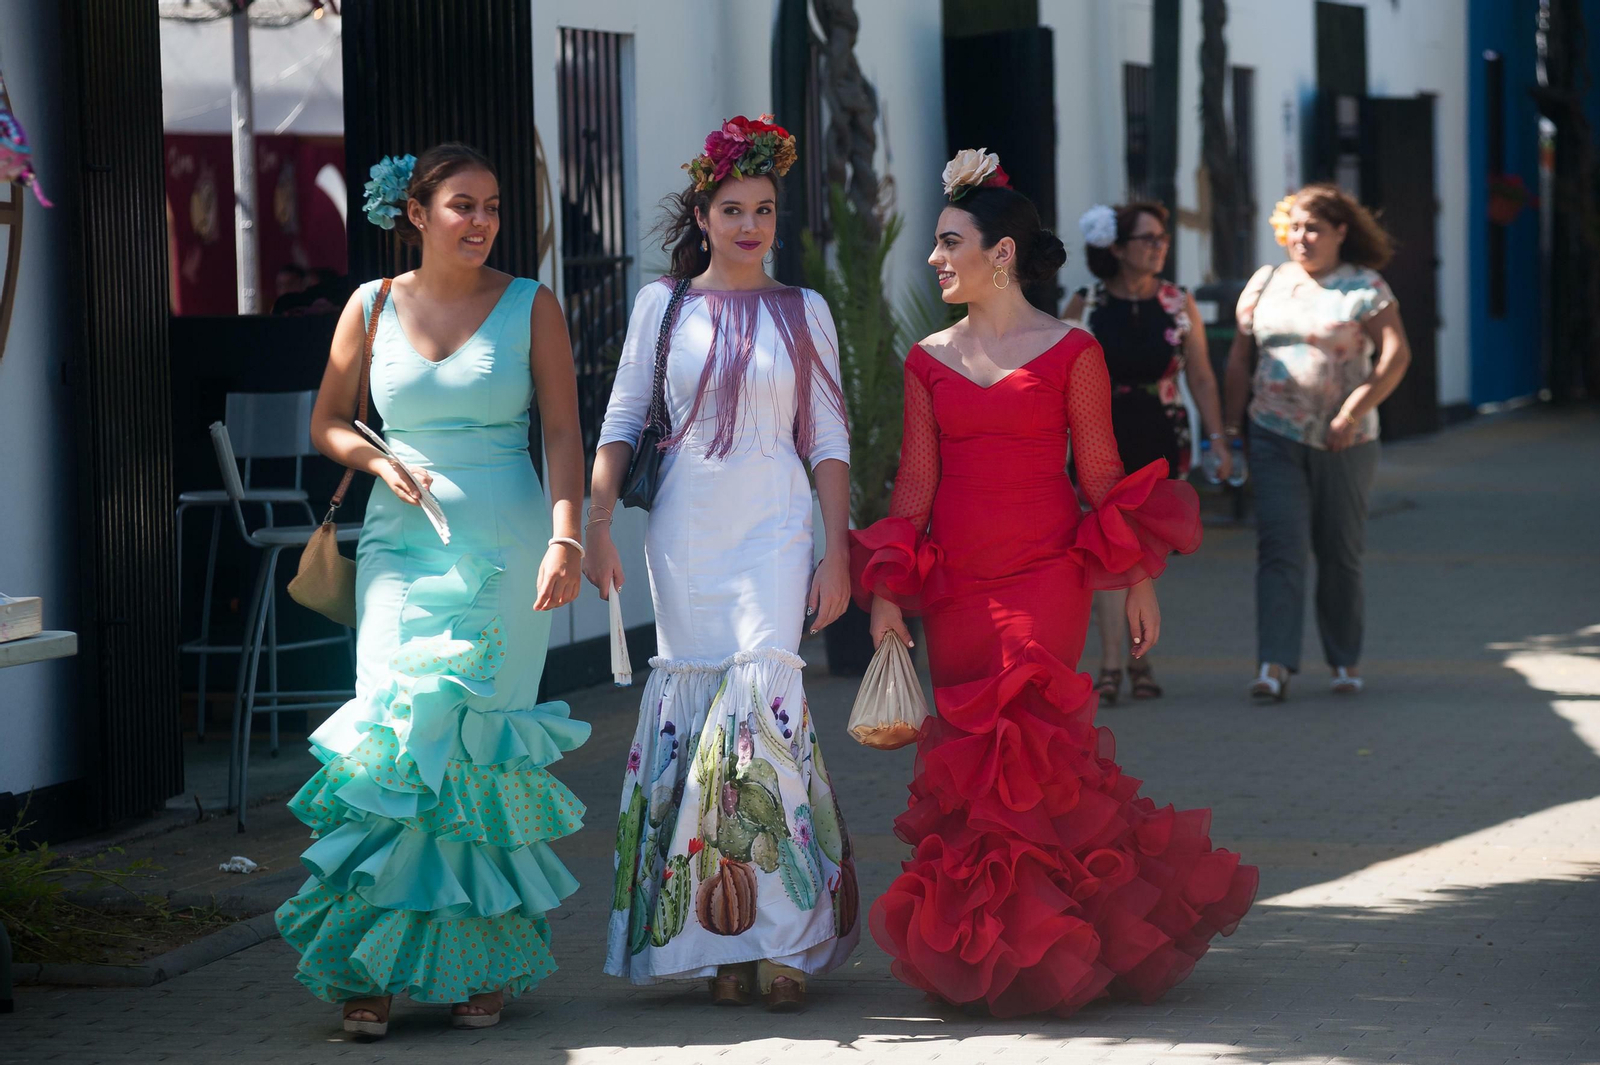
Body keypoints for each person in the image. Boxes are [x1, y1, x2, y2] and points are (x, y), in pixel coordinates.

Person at [854, 149, 1257, 1018]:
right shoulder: (926, 358)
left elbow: (1104, 474)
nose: (933, 260)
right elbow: (914, 484)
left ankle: (1049, 948)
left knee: (1035, 756)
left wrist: (1140, 577)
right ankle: (989, 950)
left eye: (947, 241)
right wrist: (889, 591)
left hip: (1047, 580)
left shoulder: (1074, 349)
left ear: (999, 252)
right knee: (971, 769)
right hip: (957, 588)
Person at [274, 143, 591, 1038]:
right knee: (393, 746)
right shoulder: (369, 305)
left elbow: (564, 431)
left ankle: (477, 966)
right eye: (461, 204)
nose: (481, 221)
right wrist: (374, 454)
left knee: (479, 753)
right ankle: (366, 975)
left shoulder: (534, 306)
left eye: (492, 205)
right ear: (415, 213)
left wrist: (566, 534)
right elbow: (327, 420)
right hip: (398, 552)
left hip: (511, 544)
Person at [584, 114, 859, 1012]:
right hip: (685, 529)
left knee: (762, 711)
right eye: (733, 208)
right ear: (702, 215)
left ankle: (782, 939)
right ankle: (720, 946)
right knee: (697, 721)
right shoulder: (661, 304)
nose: (751, 225)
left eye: (766, 210)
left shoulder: (805, 308)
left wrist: (837, 551)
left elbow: (826, 437)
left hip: (776, 526)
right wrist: (592, 524)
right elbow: (623, 418)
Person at [1223, 184, 1411, 701]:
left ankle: (1344, 660)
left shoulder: (1363, 286)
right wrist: (1229, 432)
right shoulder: (1266, 283)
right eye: (1295, 228)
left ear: (1340, 233)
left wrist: (1354, 410)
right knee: (1279, 549)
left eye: (1315, 229)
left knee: (1339, 551)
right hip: (1273, 431)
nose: (1301, 238)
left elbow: (1396, 355)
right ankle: (1274, 665)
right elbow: (1241, 359)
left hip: (1344, 439)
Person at [1062, 202, 1229, 704]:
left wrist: (1219, 439)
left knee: (1142, 553)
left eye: (1162, 239)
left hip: (1160, 436)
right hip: (1098, 436)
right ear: (1116, 247)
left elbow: (1199, 373)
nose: (1158, 247)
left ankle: (1136, 656)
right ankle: (1115, 663)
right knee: (1107, 545)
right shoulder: (1086, 304)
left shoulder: (1179, 302)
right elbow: (1054, 376)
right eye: (1146, 239)